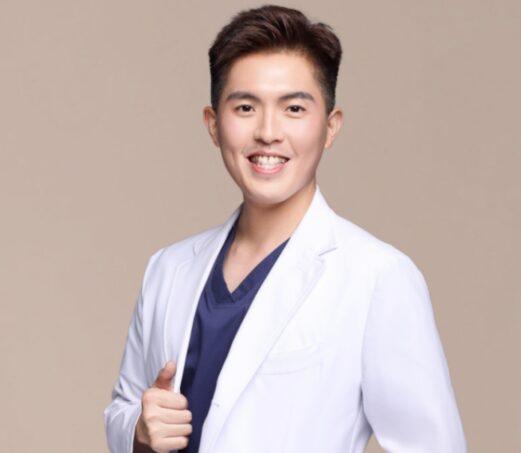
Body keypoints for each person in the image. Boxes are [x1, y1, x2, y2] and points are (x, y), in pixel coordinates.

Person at [104, 5, 466, 453]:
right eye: (245, 107)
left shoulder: (378, 278)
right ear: (214, 125)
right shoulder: (168, 268)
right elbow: (124, 407)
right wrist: (139, 430)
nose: (268, 132)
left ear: (330, 127)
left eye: (294, 108)